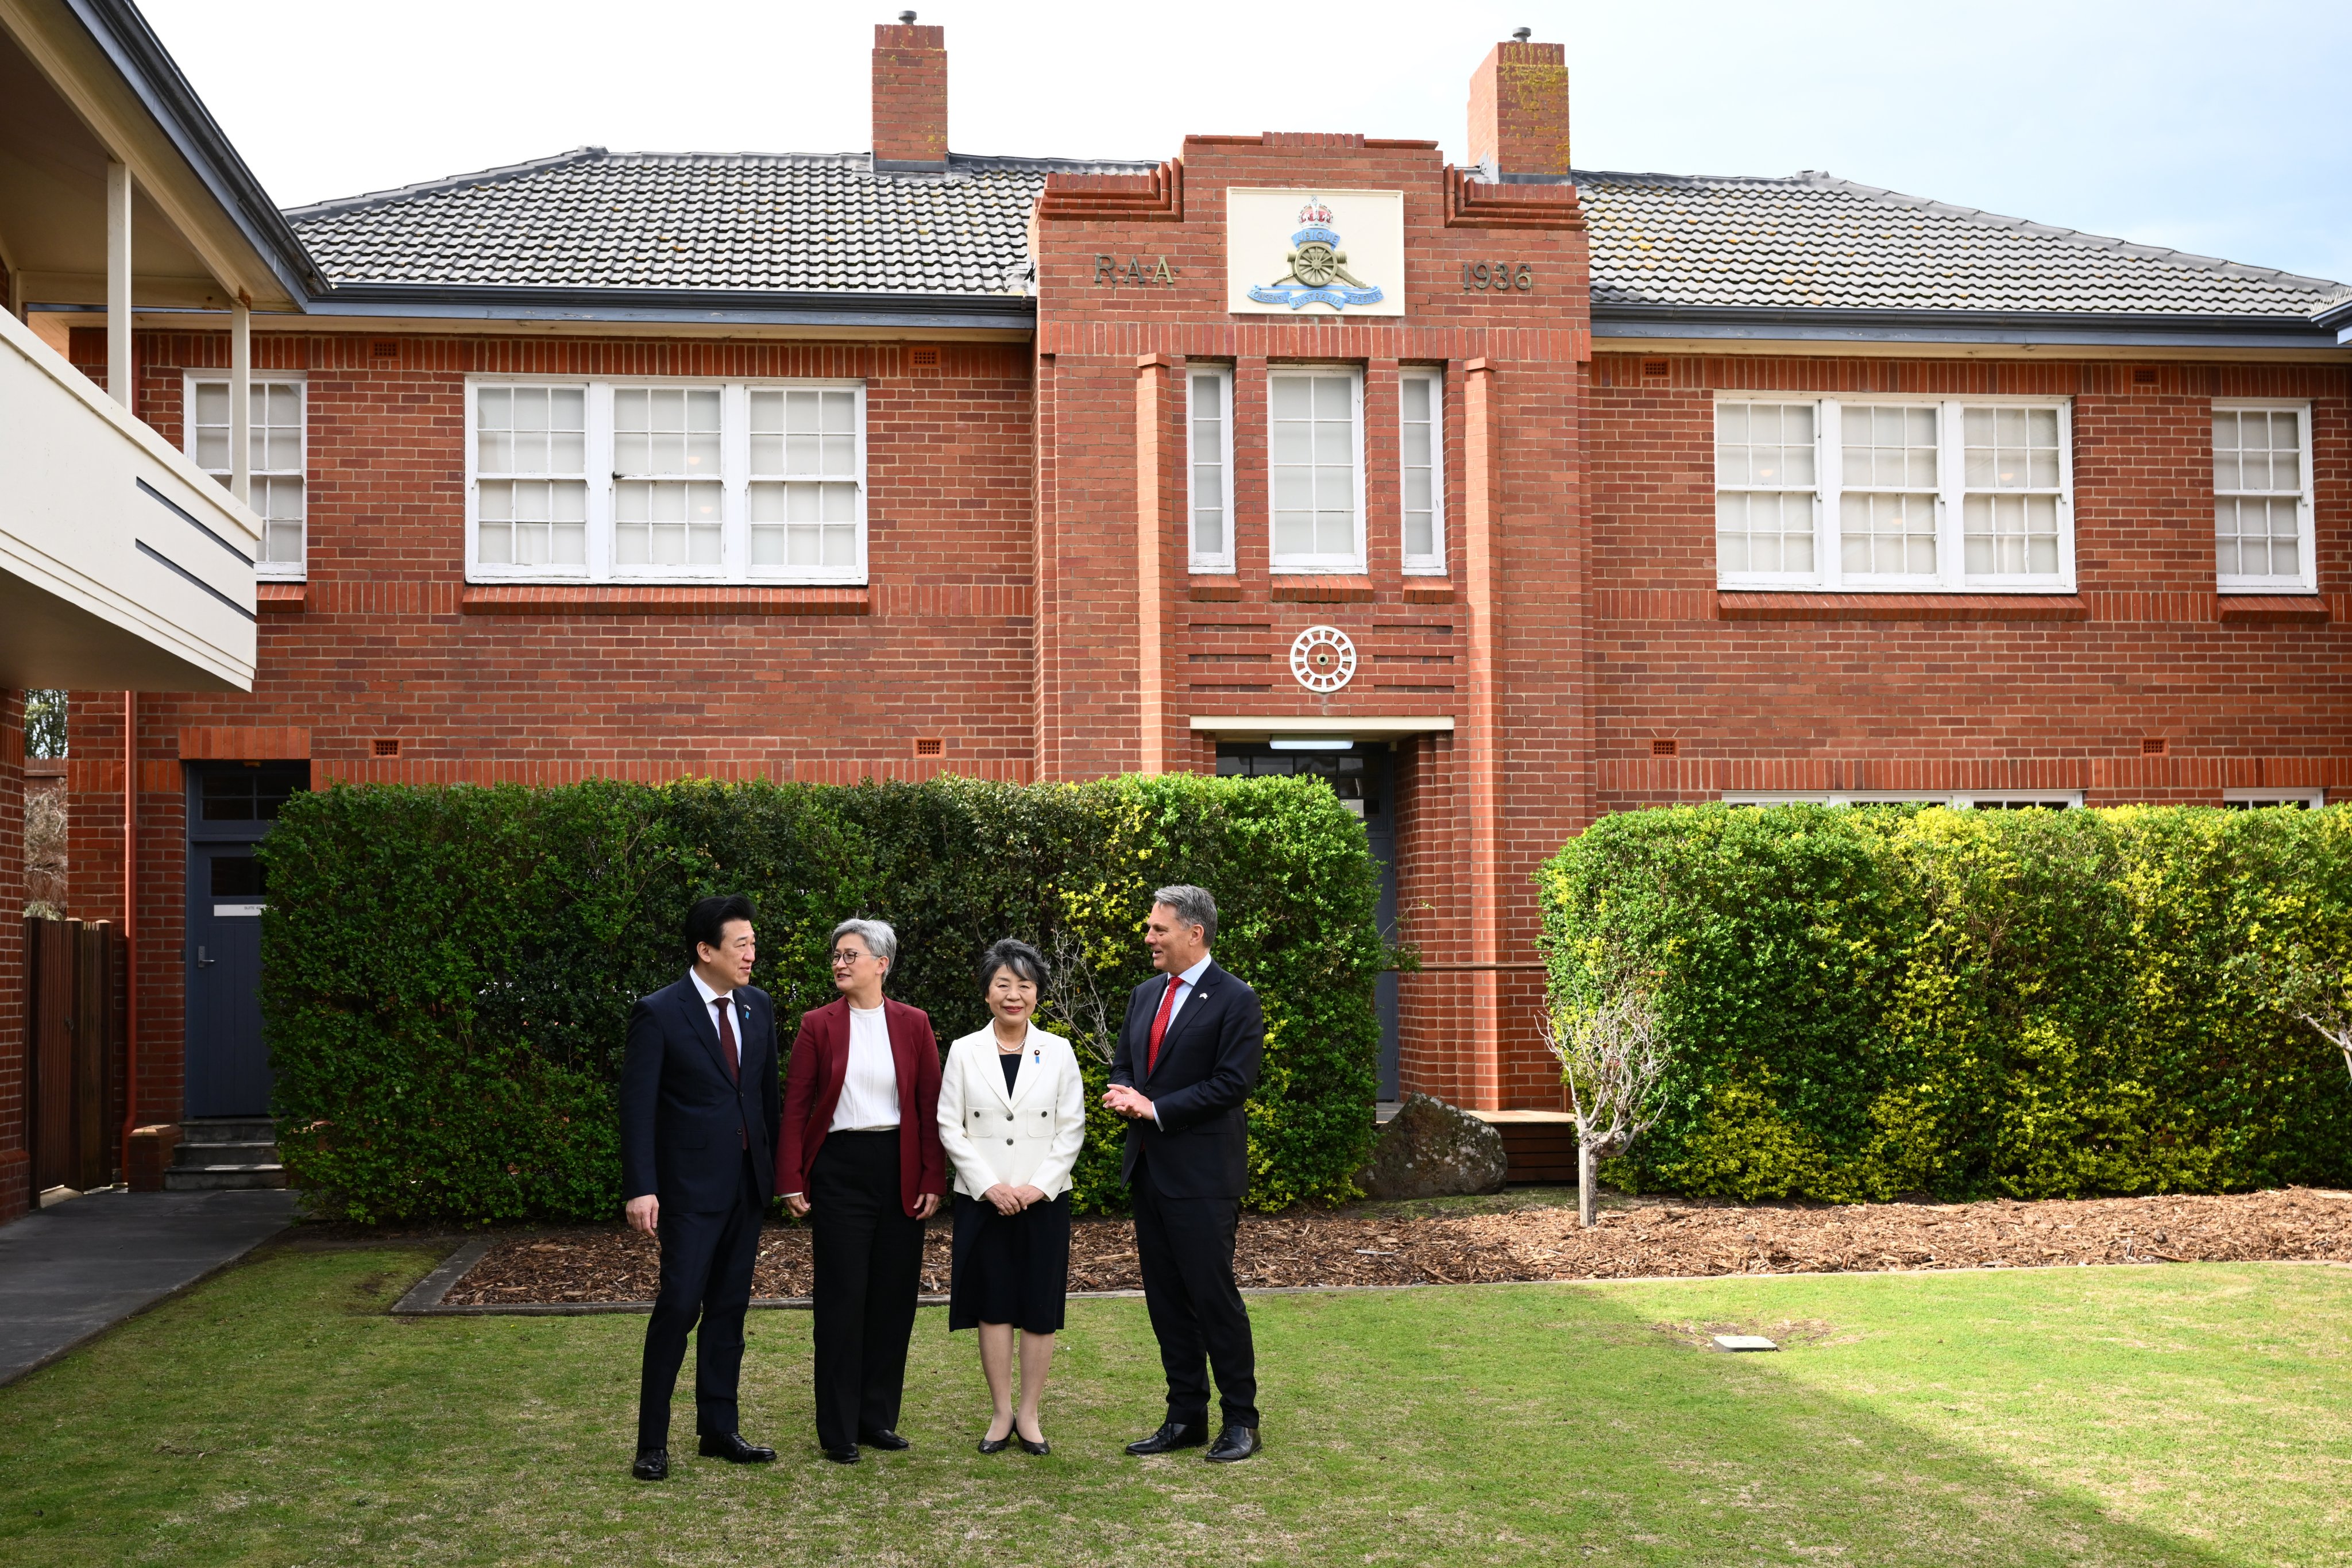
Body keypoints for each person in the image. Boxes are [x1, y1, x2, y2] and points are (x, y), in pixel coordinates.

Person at [618, 893, 782, 1482]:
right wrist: (642, 1187)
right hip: (687, 1190)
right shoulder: (659, 1013)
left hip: (747, 1187)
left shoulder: (758, 1007)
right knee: (680, 1306)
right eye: (741, 944)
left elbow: (766, 1100)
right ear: (705, 950)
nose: (751, 954)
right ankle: (652, 1442)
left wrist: (779, 1177)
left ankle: (718, 1429)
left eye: (753, 942)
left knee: (729, 1313)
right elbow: (637, 1110)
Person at [1103, 884, 1265, 1463]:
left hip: (1203, 1178)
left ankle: (1241, 1421)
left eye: (1158, 929)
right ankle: (1185, 1417)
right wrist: (1124, 1091)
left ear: (1194, 933)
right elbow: (1127, 1061)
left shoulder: (1236, 999)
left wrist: (1156, 1109)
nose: (1148, 938)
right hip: (1150, 1172)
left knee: (1212, 1299)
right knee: (1166, 1300)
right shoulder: (1145, 994)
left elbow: (1232, 1084)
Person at [777, 917, 946, 1463]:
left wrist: (931, 1177)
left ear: (881, 964)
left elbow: (929, 1105)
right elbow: (797, 1106)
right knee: (842, 1301)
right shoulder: (816, 1025)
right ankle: (838, 1429)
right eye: (836, 955)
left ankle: (877, 1419)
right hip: (838, 1170)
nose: (839, 963)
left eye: (851, 955)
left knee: (893, 1301)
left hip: (898, 1167)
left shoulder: (914, 1023)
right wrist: (791, 1178)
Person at [936, 939, 1087, 1455]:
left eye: (1024, 985)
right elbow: (949, 1126)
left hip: (1042, 1199)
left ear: (1037, 994)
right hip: (984, 1200)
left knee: (1039, 1307)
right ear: (987, 992)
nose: (1013, 995)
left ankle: (1030, 1414)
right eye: (1003, 984)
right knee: (994, 1305)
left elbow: (1071, 1128)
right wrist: (990, 1186)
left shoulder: (1059, 1051)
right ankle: (1001, 1413)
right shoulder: (963, 1050)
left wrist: (1035, 1187)